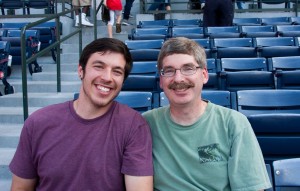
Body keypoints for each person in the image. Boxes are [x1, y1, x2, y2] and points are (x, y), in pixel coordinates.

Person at [9, 38, 154, 191]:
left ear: (122, 81)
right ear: (80, 70)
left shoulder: (134, 126)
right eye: (99, 67)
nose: (107, 77)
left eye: (117, 72)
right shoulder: (38, 123)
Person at [142, 37, 272, 191]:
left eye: (188, 68)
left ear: (204, 75)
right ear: (161, 81)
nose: (178, 78)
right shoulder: (145, 124)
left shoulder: (233, 123)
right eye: (169, 71)